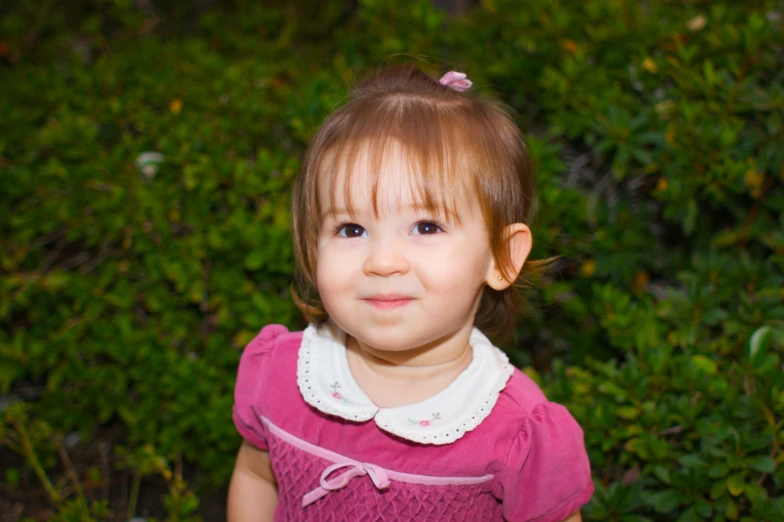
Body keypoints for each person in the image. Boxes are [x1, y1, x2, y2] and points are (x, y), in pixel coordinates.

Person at [227, 64, 593, 521]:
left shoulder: (514, 431)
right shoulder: (281, 377)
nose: (382, 261)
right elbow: (257, 476)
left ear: (500, 257)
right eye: (351, 228)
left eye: (425, 226)